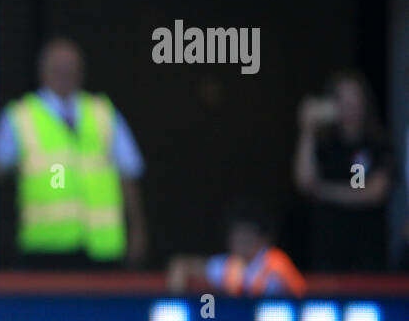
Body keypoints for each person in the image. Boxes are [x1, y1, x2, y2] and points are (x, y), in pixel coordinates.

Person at [0, 38, 147, 270]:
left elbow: (129, 173)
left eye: (71, 67)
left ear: (81, 70)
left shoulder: (103, 112)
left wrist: (138, 230)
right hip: (44, 250)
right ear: (42, 70)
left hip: (102, 250)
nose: (65, 73)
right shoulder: (20, 115)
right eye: (58, 66)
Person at [293, 71, 393, 271]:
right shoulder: (324, 144)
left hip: (367, 251)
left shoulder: (378, 143)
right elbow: (304, 181)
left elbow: (375, 193)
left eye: (354, 100)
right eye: (342, 101)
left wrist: (324, 191)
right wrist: (307, 130)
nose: (349, 108)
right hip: (327, 250)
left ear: (365, 103)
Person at [168, 204, 305, 298]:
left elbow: (301, 297)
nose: (240, 241)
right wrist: (176, 300)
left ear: (262, 238)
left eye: (247, 235)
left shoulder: (277, 263)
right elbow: (181, 265)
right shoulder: (230, 264)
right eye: (236, 235)